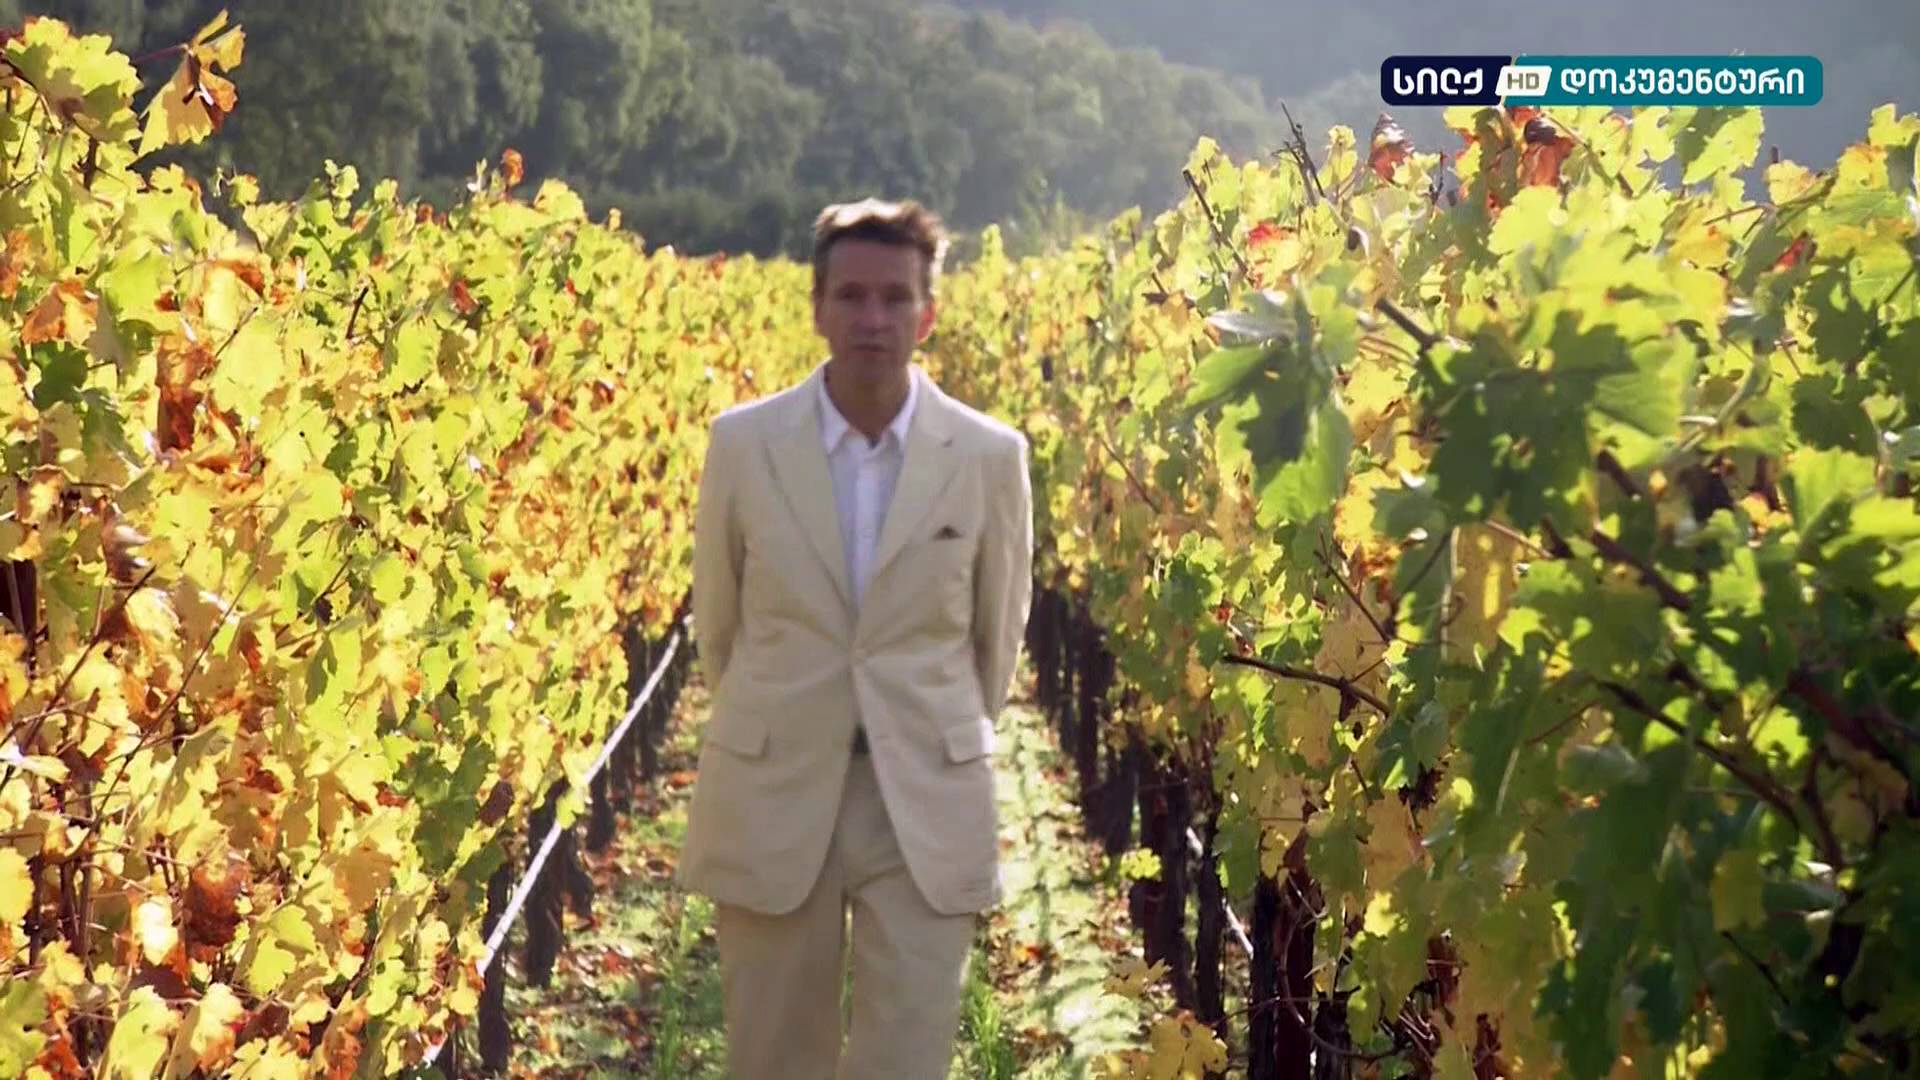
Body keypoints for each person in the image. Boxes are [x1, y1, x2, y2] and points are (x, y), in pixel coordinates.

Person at [676, 197, 1035, 1080]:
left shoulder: (990, 457)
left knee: (907, 1059)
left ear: (928, 313)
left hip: (924, 798)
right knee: (772, 1058)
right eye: (852, 296)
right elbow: (719, 627)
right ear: (818, 308)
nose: (873, 318)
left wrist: (929, 731)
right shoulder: (743, 445)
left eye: (895, 297)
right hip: (774, 786)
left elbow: (995, 642)